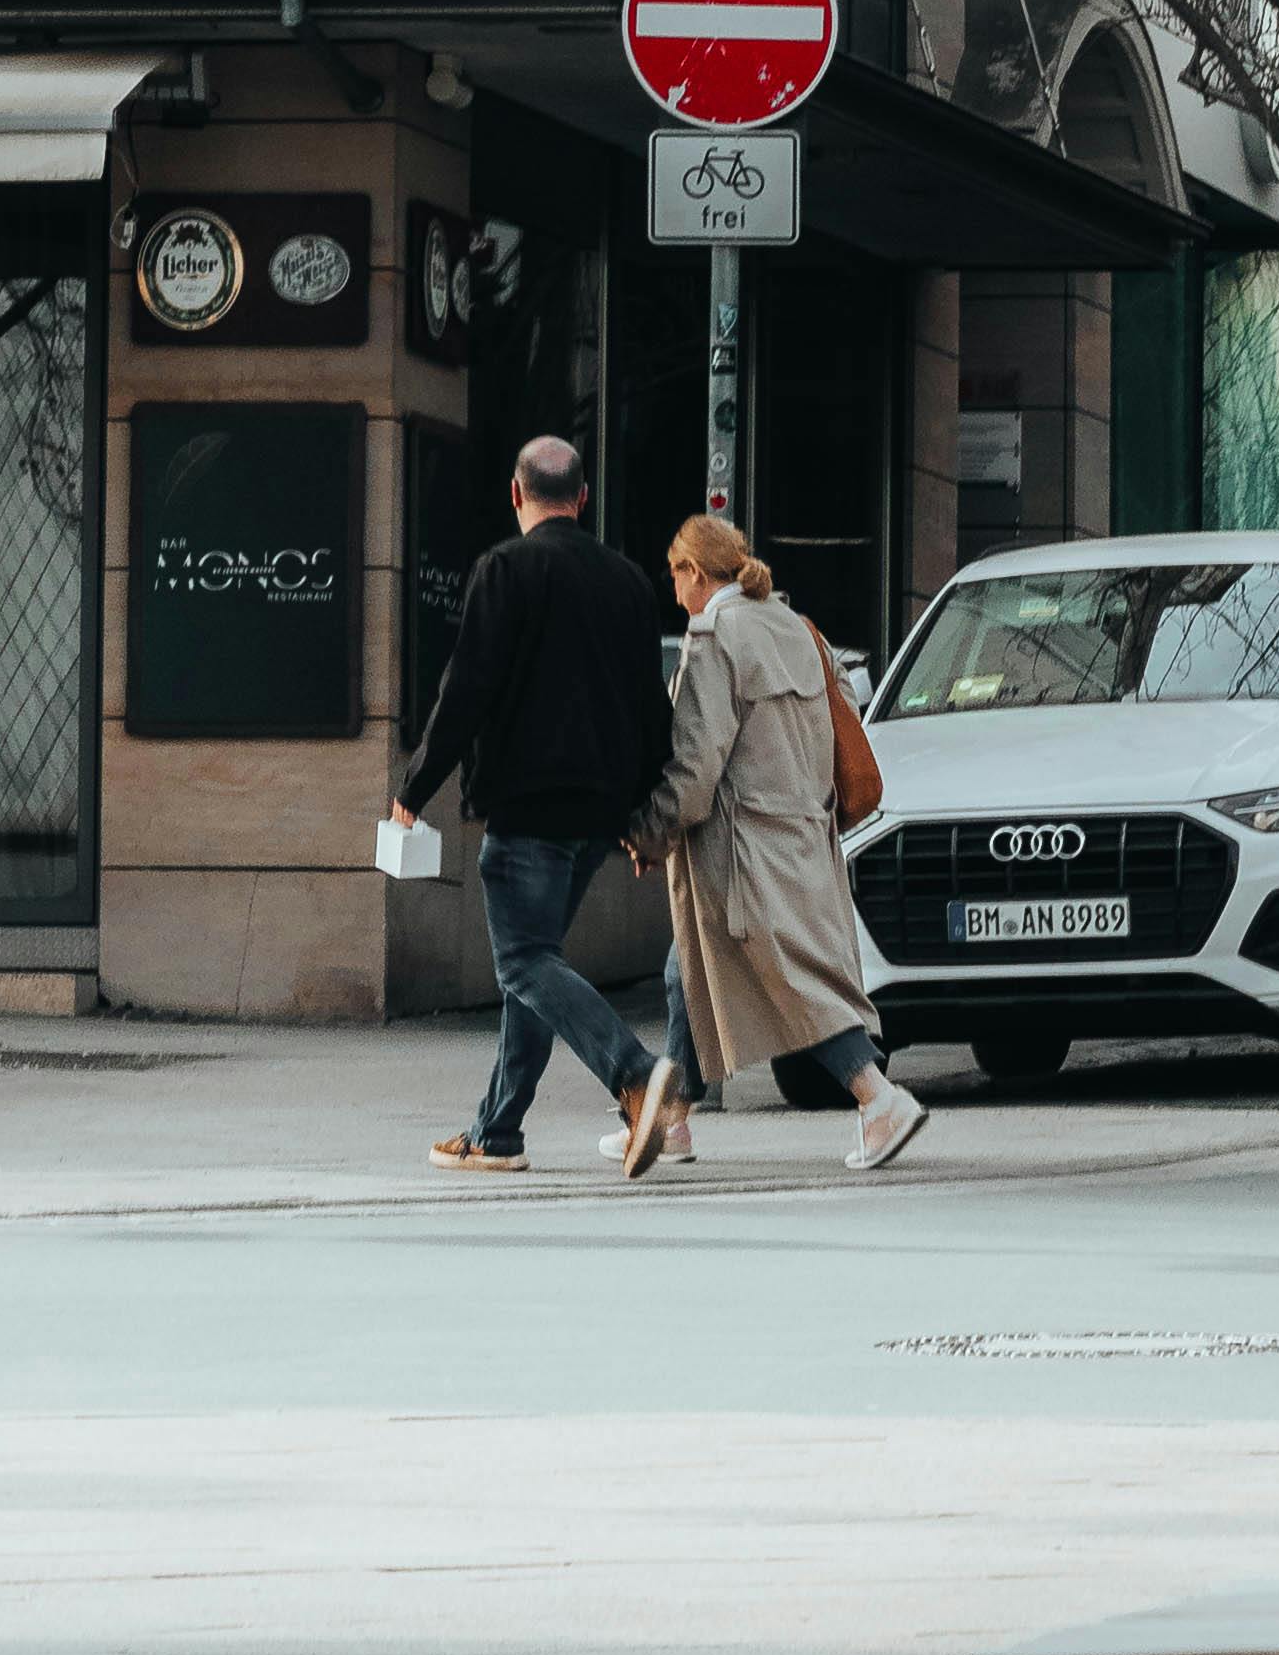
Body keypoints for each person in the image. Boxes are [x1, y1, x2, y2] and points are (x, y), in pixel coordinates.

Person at [392, 432, 675, 1179]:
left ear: (517, 494)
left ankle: (637, 1072)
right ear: (582, 498)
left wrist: (413, 792)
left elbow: (465, 693)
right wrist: (647, 818)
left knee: (522, 962)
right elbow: (653, 711)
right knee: (537, 970)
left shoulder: (505, 569)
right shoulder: (629, 582)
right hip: (601, 816)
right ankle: (497, 1132)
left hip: (527, 807)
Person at [639, 512, 926, 1177]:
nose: (675, 590)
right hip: (804, 839)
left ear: (694, 572)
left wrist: (648, 832)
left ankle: (877, 1098)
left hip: (742, 852)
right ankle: (672, 1121)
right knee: (686, 969)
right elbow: (838, 727)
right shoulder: (799, 630)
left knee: (795, 983)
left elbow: (695, 766)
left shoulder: (714, 636)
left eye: (676, 575)